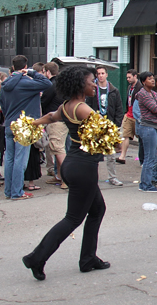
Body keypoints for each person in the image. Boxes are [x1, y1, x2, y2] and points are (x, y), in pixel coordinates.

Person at [22, 67, 110, 280]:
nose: (94, 85)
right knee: (72, 218)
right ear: (81, 85)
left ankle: (88, 258)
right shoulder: (83, 109)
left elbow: (51, 116)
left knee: (97, 210)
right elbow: (105, 132)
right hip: (83, 168)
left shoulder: (66, 106)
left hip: (72, 164)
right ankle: (36, 257)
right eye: (91, 81)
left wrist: (32, 123)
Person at [0, 55, 52, 201]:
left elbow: (2, 105)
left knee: (9, 158)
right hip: (24, 124)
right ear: (25, 66)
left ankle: (9, 191)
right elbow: (47, 83)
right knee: (20, 160)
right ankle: (17, 192)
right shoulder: (26, 83)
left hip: (10, 123)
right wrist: (32, 72)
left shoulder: (5, 84)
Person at [86, 67, 124, 186]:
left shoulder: (113, 90)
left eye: (103, 73)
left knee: (111, 155)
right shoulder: (92, 89)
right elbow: (87, 107)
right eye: (98, 74)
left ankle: (113, 177)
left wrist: (116, 125)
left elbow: (119, 108)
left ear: (107, 75)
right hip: (96, 125)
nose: (101, 76)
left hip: (110, 125)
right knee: (94, 153)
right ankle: (92, 178)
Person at [135, 72, 157, 193]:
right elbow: (156, 108)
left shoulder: (153, 93)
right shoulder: (143, 94)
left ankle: (145, 183)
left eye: (152, 78)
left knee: (151, 156)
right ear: (144, 82)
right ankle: (146, 184)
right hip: (148, 127)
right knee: (150, 157)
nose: (152, 81)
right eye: (149, 79)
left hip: (155, 127)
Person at [40, 62, 67, 188]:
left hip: (56, 122)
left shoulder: (51, 85)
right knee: (58, 149)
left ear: (48, 72)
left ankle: (66, 179)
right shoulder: (62, 84)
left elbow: (44, 102)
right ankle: (59, 176)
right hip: (63, 120)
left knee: (58, 149)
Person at [117, 69, 139, 164]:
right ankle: (122, 156)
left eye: (129, 77)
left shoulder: (140, 88)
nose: (128, 79)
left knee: (140, 137)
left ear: (135, 76)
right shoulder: (130, 87)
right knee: (125, 135)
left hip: (137, 116)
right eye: (127, 78)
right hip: (128, 115)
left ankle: (141, 158)